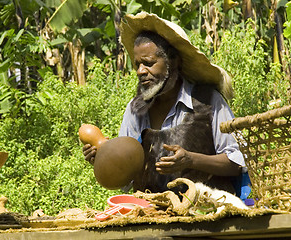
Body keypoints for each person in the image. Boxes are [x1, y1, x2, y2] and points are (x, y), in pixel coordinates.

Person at [83, 12, 246, 195]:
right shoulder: (135, 110)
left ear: (173, 61)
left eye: (148, 63)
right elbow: (126, 178)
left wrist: (192, 160)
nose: (140, 71)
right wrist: (105, 159)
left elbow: (238, 162)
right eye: (137, 65)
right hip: (154, 215)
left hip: (207, 212)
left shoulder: (209, 101)